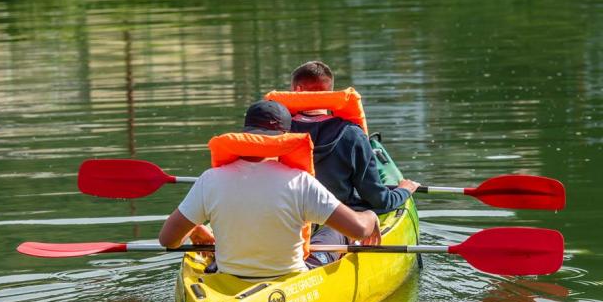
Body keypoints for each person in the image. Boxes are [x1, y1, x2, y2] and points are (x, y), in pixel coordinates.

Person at [159, 100, 381, 279]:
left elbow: (168, 240)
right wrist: (370, 216)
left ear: (245, 133)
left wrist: (195, 229)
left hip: (229, 279)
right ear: (285, 138)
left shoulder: (210, 179)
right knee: (336, 230)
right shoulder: (300, 181)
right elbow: (358, 230)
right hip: (290, 282)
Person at [288, 60, 420, 214]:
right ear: (330, 93)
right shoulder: (351, 134)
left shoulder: (277, 132)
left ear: (297, 90)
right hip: (338, 218)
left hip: (289, 215)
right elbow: (379, 200)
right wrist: (404, 190)